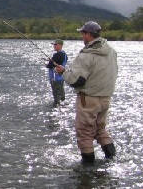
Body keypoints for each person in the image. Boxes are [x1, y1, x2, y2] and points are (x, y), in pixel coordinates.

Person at [55, 21, 118, 164]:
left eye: (83, 33)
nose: (82, 36)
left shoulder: (87, 55)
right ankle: (112, 159)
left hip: (88, 99)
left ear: (88, 35)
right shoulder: (111, 51)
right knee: (100, 129)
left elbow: (77, 80)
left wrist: (63, 72)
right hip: (106, 98)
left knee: (84, 134)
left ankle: (87, 169)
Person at [46, 39, 67, 107]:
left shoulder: (57, 54)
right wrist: (51, 61)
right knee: (61, 94)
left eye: (55, 45)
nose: (54, 46)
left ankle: (56, 106)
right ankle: (63, 105)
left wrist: (48, 63)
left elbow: (50, 65)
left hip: (55, 79)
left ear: (60, 45)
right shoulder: (64, 54)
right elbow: (58, 63)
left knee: (56, 96)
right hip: (61, 78)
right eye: (53, 45)